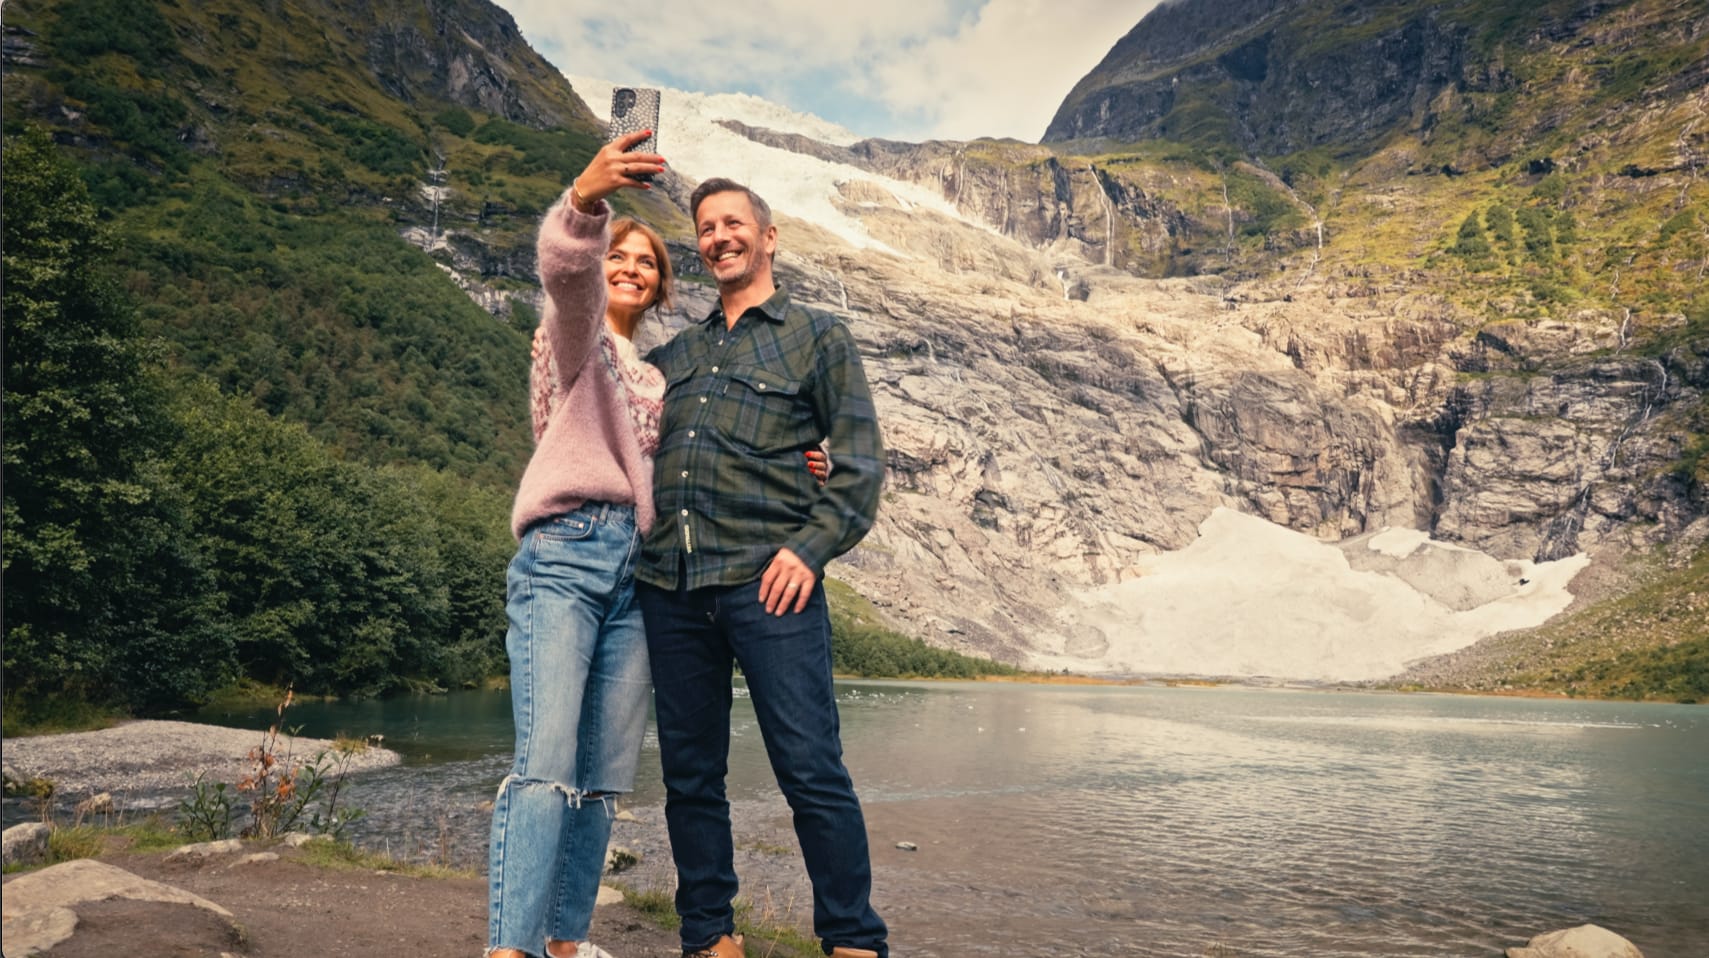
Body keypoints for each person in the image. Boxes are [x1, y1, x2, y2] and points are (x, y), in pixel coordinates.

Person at [635, 178, 889, 958]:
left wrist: (806, 549)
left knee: (810, 767)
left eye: (733, 224)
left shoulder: (818, 338)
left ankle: (851, 940)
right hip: (670, 590)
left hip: (768, 583)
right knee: (689, 776)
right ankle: (709, 935)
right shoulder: (672, 356)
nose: (718, 237)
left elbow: (859, 466)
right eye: (706, 228)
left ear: (768, 237)